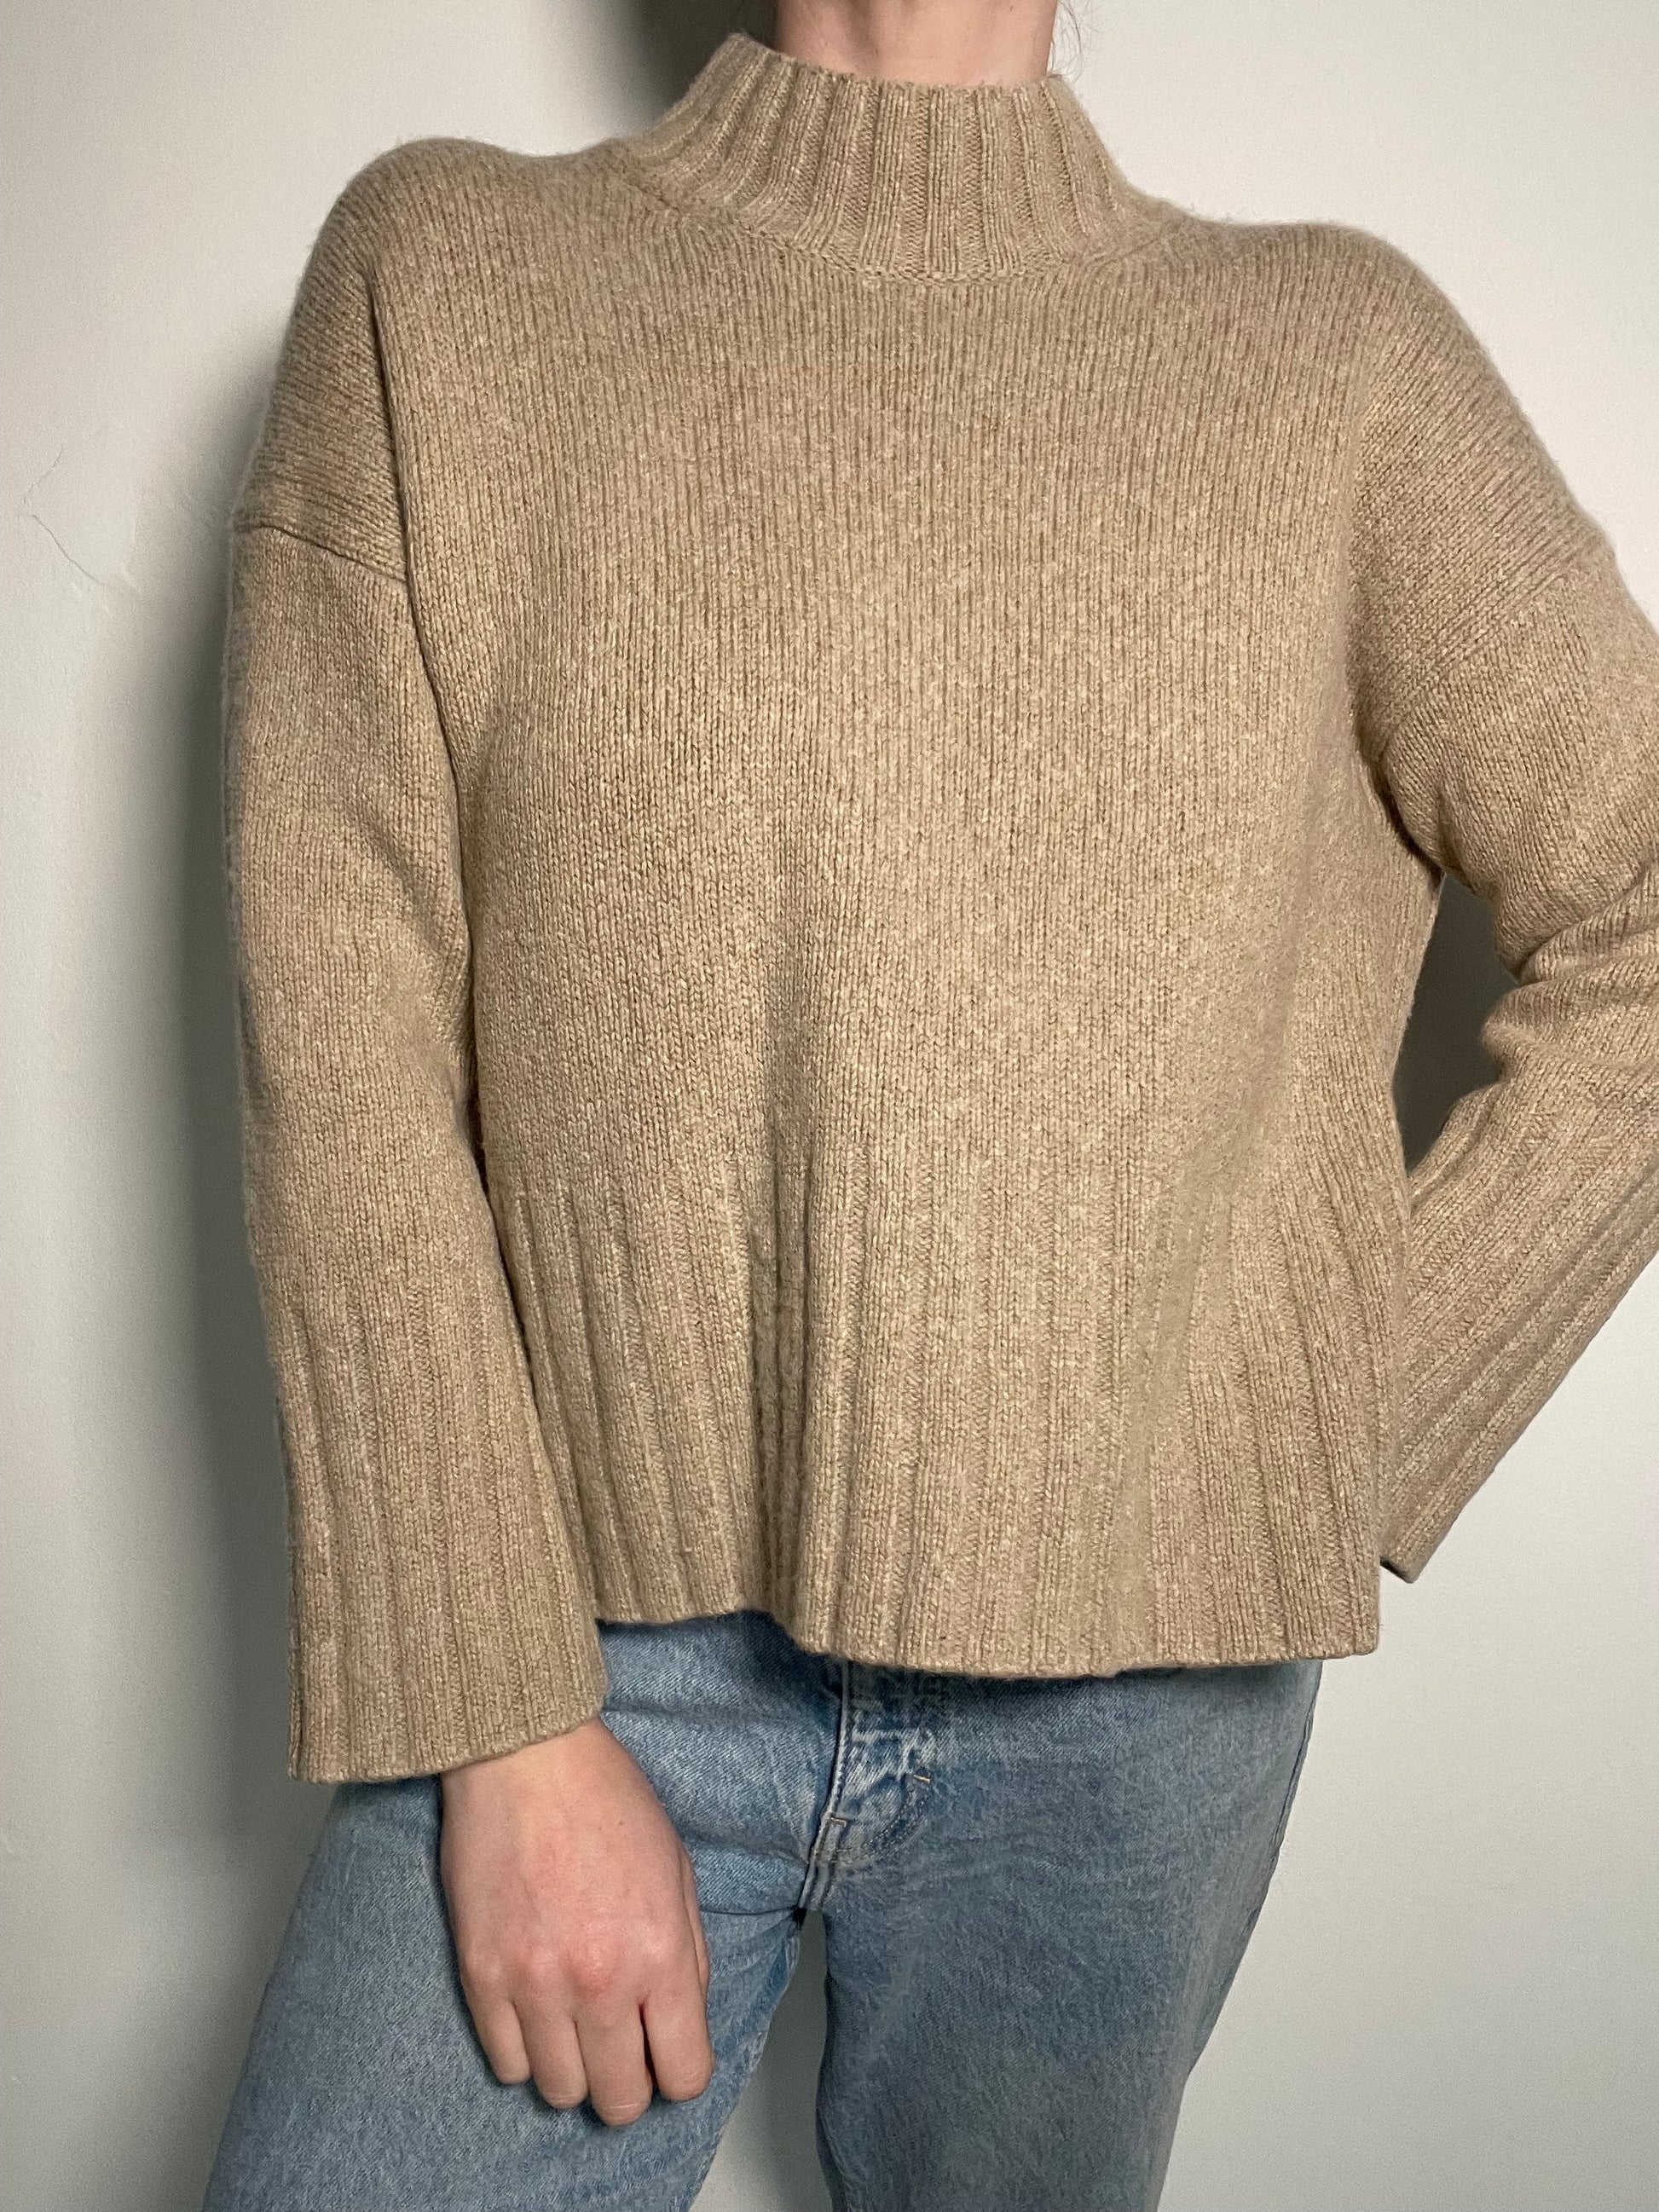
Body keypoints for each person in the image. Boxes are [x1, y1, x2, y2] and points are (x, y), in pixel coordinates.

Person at [201, 4, 1659, 2208]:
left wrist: (1310, 1409)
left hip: (1141, 1708)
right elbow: (342, 1023)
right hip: (573, 1642)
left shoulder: (1332, 360)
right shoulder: (452, 274)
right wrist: (494, 1709)